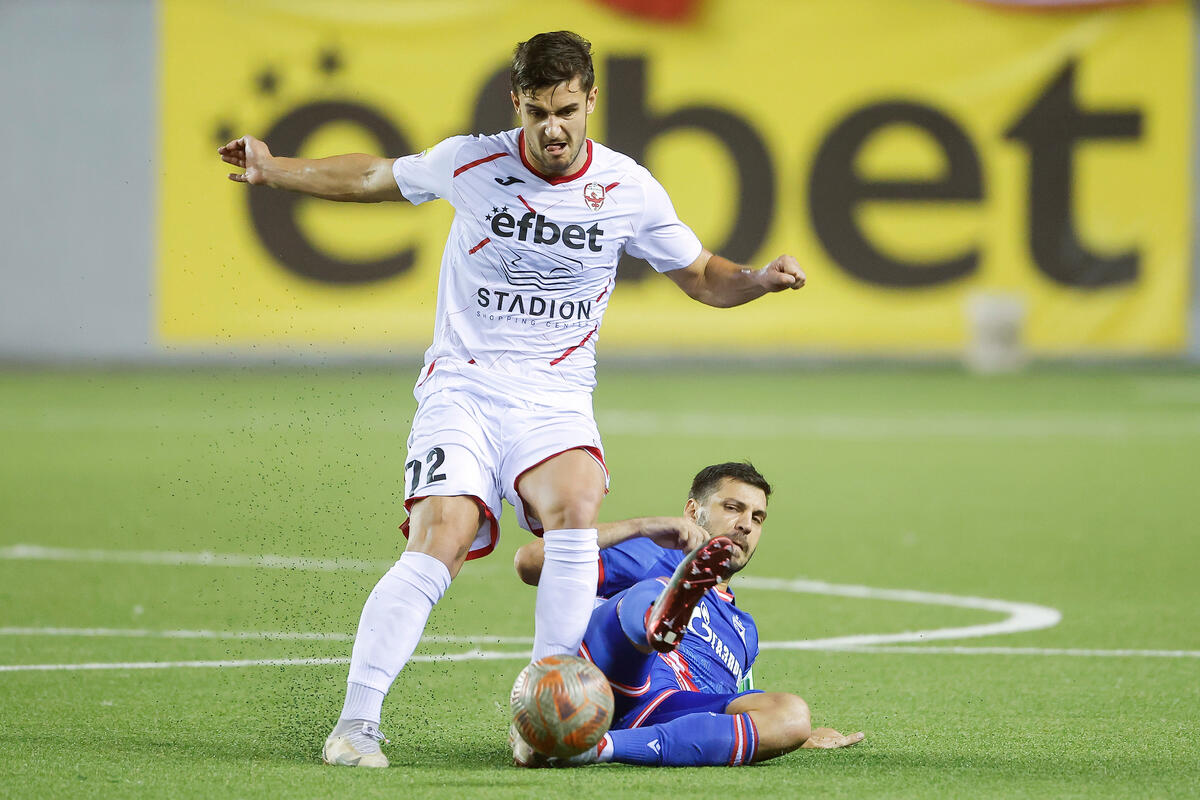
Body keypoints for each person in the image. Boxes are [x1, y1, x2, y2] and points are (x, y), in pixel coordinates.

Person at [218, 31, 806, 768]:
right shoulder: (471, 162)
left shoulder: (626, 187)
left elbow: (703, 275)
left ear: (591, 101)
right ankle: (356, 723)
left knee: (576, 504)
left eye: (566, 111)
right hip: (463, 387)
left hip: (554, 398)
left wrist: (757, 280)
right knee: (442, 538)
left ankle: (545, 714)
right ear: (516, 103)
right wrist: (273, 168)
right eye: (537, 112)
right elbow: (373, 175)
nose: (553, 129)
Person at [511, 462, 864, 767]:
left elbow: (735, 707)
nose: (746, 525)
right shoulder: (652, 553)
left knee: (793, 714)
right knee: (651, 590)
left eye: (757, 518)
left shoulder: (745, 632)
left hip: (666, 711)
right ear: (692, 512)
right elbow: (529, 562)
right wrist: (641, 526)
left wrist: (793, 736)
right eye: (733, 508)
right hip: (608, 676)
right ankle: (657, 618)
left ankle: (596, 748)